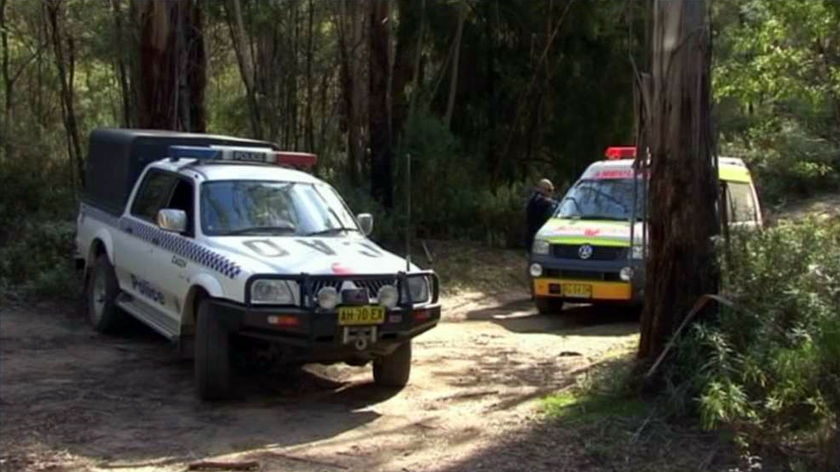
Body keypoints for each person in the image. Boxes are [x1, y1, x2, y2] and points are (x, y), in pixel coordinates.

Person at [525, 178, 558, 253]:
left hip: (533, 235)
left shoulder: (534, 199)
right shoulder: (543, 202)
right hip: (538, 236)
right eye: (549, 190)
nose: (551, 193)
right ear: (543, 189)